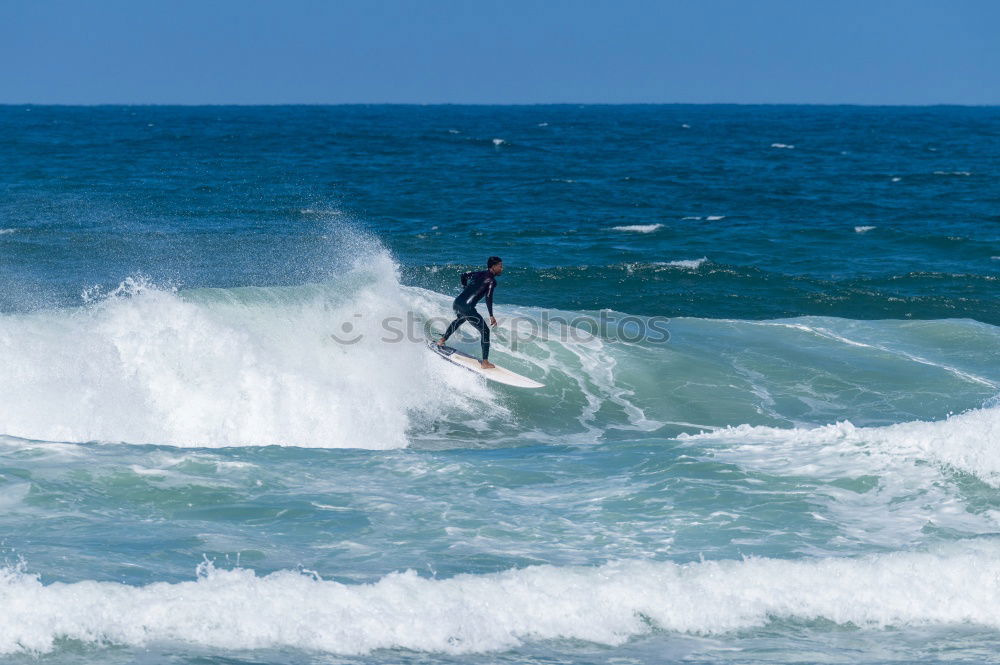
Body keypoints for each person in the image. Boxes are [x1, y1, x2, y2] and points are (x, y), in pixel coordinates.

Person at [438, 256, 502, 368]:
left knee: (460, 319)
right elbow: (488, 297)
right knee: (485, 331)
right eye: (500, 266)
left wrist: (464, 287)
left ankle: (442, 340)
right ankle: (485, 363)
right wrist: (491, 315)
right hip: (467, 307)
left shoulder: (478, 274)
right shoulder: (492, 280)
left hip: (457, 302)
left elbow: (463, 275)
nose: (502, 269)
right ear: (493, 267)